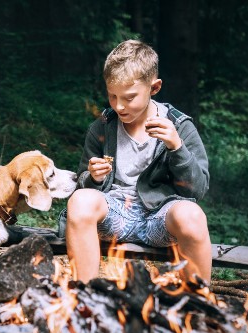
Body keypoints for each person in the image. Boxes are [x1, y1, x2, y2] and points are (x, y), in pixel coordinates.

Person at [61, 39, 211, 284]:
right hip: (114, 214)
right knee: (80, 200)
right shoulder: (103, 127)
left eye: (129, 98)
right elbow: (83, 184)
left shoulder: (180, 127)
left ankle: (197, 305)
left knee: (192, 215)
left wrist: (177, 147)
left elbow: (198, 190)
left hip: (159, 217)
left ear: (154, 88)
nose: (119, 106)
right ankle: (84, 298)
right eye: (112, 96)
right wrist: (93, 177)